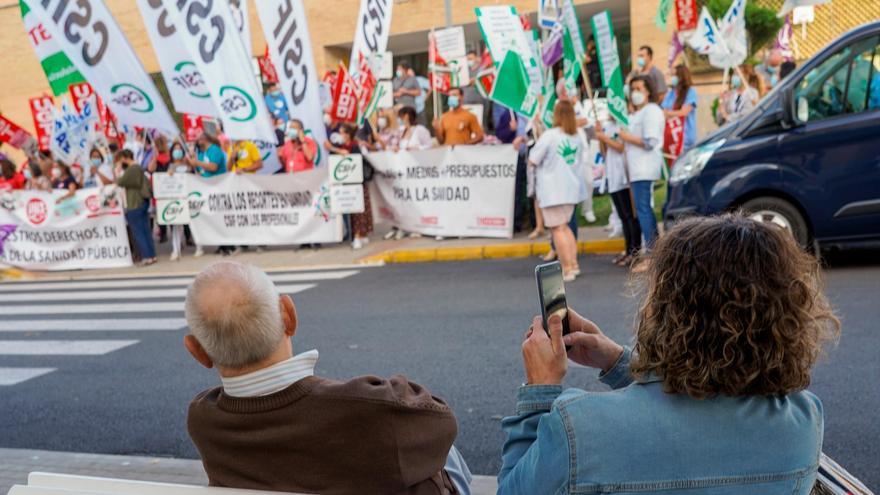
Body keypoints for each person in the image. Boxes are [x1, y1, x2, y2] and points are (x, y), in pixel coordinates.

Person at [497, 214, 840, 495]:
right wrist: (617, 360)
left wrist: (540, 389)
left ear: (671, 312)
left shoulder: (578, 427)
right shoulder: (802, 421)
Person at [183, 261, 470, 494]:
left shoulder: (202, 419)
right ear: (289, 315)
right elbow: (443, 424)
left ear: (198, 352)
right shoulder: (374, 407)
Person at [528, 100, 587, 282]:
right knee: (566, 227)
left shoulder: (550, 135)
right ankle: (574, 264)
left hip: (552, 190)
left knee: (557, 229)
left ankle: (567, 268)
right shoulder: (576, 136)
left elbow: (533, 159)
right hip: (570, 189)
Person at [618, 76, 664, 259]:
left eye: (639, 88)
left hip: (644, 168)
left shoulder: (651, 111)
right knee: (644, 209)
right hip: (636, 169)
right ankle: (655, 251)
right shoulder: (638, 113)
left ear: (648, 91)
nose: (635, 93)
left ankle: (653, 255)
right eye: (633, 89)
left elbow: (650, 141)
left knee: (643, 209)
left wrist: (625, 136)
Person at [595, 118, 640, 266]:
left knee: (630, 215)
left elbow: (621, 147)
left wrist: (605, 138)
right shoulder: (607, 126)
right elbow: (604, 151)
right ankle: (627, 251)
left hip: (624, 176)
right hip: (612, 176)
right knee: (623, 216)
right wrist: (600, 136)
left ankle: (635, 251)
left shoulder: (625, 124)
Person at [325, 124, 373, 250]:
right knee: (349, 212)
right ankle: (354, 234)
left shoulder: (354, 145)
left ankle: (359, 235)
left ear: (347, 134)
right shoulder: (341, 146)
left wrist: (334, 149)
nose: (340, 135)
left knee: (358, 212)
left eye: (342, 132)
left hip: (357, 182)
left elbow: (349, 155)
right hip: (345, 183)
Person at [115, 149, 156, 266]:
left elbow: (121, 181)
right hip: (141, 202)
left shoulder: (133, 168)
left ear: (124, 157)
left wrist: (118, 172)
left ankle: (147, 256)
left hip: (135, 202)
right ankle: (151, 255)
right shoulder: (138, 167)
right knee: (145, 230)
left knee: (139, 231)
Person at [166, 141, 201, 260]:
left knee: (193, 223)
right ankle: (175, 250)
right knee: (176, 225)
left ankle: (199, 247)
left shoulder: (188, 164)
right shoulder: (170, 166)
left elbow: (196, 173)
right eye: (175, 149)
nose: (177, 151)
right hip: (176, 198)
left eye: (179, 149)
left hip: (189, 197)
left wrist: (191, 160)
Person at [661, 64, 698, 152]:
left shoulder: (691, 92)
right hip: (671, 137)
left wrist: (669, 113)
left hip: (686, 138)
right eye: (672, 75)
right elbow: (664, 112)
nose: (673, 78)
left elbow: (684, 112)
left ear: (682, 76)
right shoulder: (670, 93)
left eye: (675, 75)